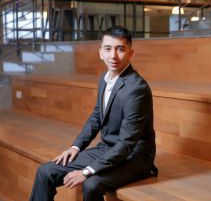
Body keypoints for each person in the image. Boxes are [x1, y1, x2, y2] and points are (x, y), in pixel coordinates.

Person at [29, 26, 157, 201]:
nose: (113, 55)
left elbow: (127, 143)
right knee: (45, 172)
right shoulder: (105, 79)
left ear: (130, 54)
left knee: (91, 185)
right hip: (107, 149)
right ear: (100, 53)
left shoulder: (136, 89)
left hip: (134, 156)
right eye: (108, 49)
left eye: (120, 49)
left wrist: (87, 171)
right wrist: (75, 147)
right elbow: (97, 116)